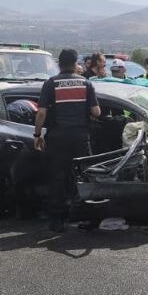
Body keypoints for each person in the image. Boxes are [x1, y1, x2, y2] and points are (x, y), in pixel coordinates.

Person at [34, 48, 101, 232]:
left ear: (59, 64)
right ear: (75, 63)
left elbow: (41, 113)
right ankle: (87, 217)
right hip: (80, 138)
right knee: (84, 177)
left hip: (57, 138)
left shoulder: (51, 84)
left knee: (57, 178)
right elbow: (96, 112)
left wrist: (37, 135)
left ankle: (57, 220)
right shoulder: (85, 83)